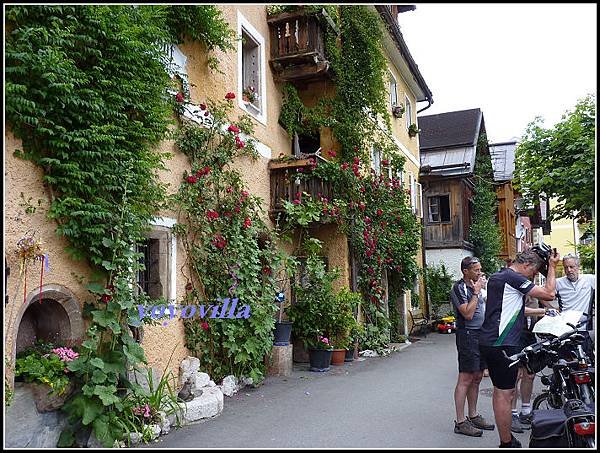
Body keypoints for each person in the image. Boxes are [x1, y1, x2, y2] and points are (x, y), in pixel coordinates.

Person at [479, 248, 560, 448]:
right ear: (525, 266)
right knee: (505, 393)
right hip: (502, 343)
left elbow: (514, 309)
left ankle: (506, 439)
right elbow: (549, 293)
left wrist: (542, 311)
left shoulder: (500, 276)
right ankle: (506, 442)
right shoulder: (512, 277)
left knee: (502, 391)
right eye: (533, 273)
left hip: (493, 341)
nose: (533, 277)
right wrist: (552, 266)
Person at [451, 256, 495, 437]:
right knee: (465, 378)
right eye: (476, 270)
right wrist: (476, 292)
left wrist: (480, 291)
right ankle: (460, 422)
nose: (479, 273)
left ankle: (473, 414)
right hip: (468, 335)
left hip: (481, 335)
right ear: (465, 271)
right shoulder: (459, 288)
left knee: (477, 376)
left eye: (480, 269)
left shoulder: (477, 287)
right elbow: (467, 314)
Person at [510, 295, 554, 432]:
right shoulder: (515, 287)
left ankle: (526, 410)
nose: (533, 273)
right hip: (514, 334)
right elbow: (519, 309)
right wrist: (543, 311)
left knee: (530, 374)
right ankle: (512, 414)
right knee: (515, 375)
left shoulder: (533, 288)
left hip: (529, 334)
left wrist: (553, 312)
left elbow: (545, 300)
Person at [555, 253, 595, 362]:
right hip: (564, 329)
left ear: (578, 267)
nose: (568, 270)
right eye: (566, 267)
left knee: (587, 362)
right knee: (565, 363)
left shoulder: (590, 280)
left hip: (582, 328)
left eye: (571, 267)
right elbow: (544, 295)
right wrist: (553, 309)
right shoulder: (558, 283)